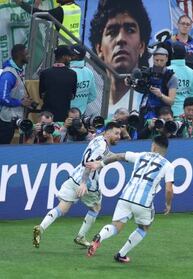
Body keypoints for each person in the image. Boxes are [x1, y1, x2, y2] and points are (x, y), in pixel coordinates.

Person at [32, 121, 121, 249]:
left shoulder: (98, 139)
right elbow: (90, 164)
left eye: (119, 133)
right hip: (88, 182)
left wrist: (118, 157)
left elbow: (102, 155)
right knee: (95, 208)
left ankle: (40, 227)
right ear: (107, 132)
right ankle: (81, 237)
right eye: (116, 133)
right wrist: (84, 183)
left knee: (62, 207)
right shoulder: (102, 147)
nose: (119, 136)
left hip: (74, 176)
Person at [86, 135, 174, 263]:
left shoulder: (141, 155)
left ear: (154, 146)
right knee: (143, 228)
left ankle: (100, 236)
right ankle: (121, 254)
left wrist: (101, 163)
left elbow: (118, 156)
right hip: (143, 203)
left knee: (115, 227)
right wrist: (168, 204)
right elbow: (169, 189)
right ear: (165, 149)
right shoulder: (168, 165)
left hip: (125, 197)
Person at [89, 0, 152, 116]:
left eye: (130, 30)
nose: (120, 39)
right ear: (99, 49)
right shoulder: (91, 103)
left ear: (142, 46)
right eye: (112, 32)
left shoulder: (147, 98)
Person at [0, 44, 33, 144]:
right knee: (3, 147)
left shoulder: (17, 71)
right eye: (27, 54)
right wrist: (20, 102)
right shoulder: (8, 75)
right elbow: (2, 98)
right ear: (20, 55)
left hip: (16, 117)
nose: (29, 56)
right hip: (7, 119)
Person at [137, 47, 177, 125]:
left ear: (166, 59)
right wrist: (132, 84)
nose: (159, 63)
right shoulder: (147, 73)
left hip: (162, 113)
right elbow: (141, 89)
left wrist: (161, 95)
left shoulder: (171, 77)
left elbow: (171, 101)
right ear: (153, 59)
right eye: (156, 60)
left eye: (161, 60)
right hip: (146, 110)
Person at [39, 45, 77, 122]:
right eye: (69, 56)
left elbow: (41, 95)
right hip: (63, 115)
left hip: (47, 115)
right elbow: (72, 96)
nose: (70, 59)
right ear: (64, 57)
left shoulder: (44, 73)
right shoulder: (72, 74)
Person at [15, 0, 81, 43]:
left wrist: (21, 3)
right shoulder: (77, 7)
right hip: (75, 44)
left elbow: (38, 13)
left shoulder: (61, 11)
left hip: (64, 48)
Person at [168, 43, 193, 117]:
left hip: (168, 113)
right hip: (185, 113)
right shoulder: (191, 72)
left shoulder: (167, 70)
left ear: (172, 54)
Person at [69, 44, 97, 114]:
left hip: (66, 114)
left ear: (74, 56)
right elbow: (93, 95)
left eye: (69, 53)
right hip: (81, 113)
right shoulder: (89, 72)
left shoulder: (67, 72)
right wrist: (81, 104)